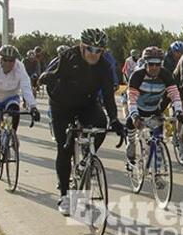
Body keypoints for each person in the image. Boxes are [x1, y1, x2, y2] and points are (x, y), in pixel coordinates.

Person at [38, 28, 125, 215]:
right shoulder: (69, 56)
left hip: (86, 102)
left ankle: (87, 158)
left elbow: (109, 97)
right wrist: (46, 77)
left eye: (99, 50)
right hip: (62, 103)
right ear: (81, 46)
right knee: (65, 148)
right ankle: (64, 195)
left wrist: (115, 119)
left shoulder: (104, 66)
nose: (94, 54)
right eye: (90, 49)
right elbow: (56, 73)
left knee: (101, 124)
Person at [0, 45, 40, 177]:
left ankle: (11, 135)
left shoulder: (19, 67)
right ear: (1, 60)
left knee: (14, 111)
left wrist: (33, 106)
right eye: (6, 60)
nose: (9, 63)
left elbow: (26, 86)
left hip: (10, 96)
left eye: (12, 61)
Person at [124, 46, 183, 170]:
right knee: (130, 121)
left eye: (158, 64)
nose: (154, 68)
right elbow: (132, 99)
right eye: (151, 64)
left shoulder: (165, 74)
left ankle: (157, 173)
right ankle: (131, 143)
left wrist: (178, 111)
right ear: (145, 63)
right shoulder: (137, 75)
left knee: (158, 142)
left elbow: (174, 94)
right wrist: (135, 115)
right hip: (138, 109)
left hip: (154, 110)